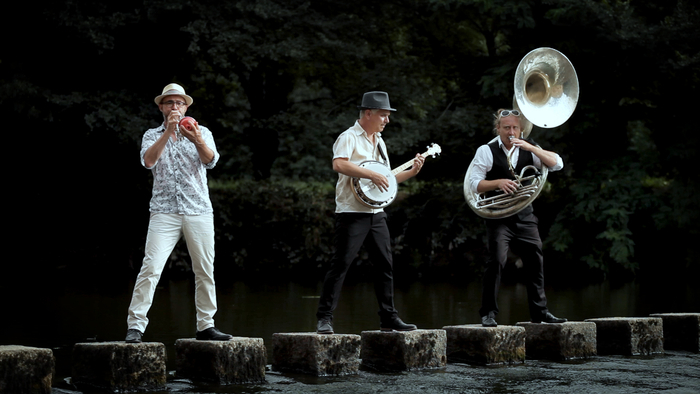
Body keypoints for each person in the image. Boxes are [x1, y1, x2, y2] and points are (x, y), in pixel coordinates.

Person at [125, 83, 232, 343]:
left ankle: (206, 325)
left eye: (179, 103)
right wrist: (169, 132)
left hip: (198, 210)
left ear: (186, 106)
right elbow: (148, 161)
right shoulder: (152, 134)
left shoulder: (202, 130)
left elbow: (211, 161)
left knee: (205, 269)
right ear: (161, 107)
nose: (175, 107)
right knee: (150, 268)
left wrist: (195, 139)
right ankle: (135, 327)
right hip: (164, 211)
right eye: (170, 103)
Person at [315, 91, 425, 334]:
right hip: (352, 212)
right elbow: (339, 164)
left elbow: (386, 179)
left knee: (385, 264)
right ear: (368, 113)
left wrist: (411, 172)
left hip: (377, 212)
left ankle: (388, 317)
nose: (387, 120)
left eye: (387, 116)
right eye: (383, 116)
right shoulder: (349, 137)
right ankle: (324, 318)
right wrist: (371, 174)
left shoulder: (380, 142)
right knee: (341, 264)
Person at [467, 108, 567, 327]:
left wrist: (532, 147)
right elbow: (474, 184)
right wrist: (497, 183)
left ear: (521, 129)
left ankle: (540, 313)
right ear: (498, 129)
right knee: (497, 261)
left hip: (524, 215)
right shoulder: (486, 150)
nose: (511, 132)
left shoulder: (530, 148)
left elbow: (557, 163)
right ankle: (488, 313)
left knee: (535, 259)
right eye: (506, 128)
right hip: (498, 216)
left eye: (514, 128)